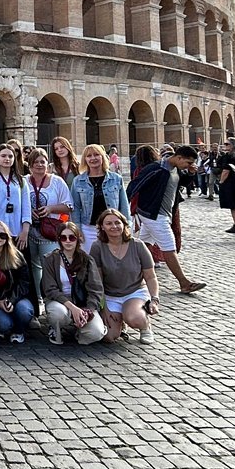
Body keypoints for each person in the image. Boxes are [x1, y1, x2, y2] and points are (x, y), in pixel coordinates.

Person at [126, 145, 206, 294]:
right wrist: (124, 208)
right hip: (153, 215)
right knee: (169, 247)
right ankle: (184, 283)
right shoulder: (156, 168)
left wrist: (190, 173)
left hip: (161, 214)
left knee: (144, 245)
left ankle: (129, 275)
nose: (189, 165)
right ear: (179, 157)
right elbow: (134, 186)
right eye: (188, 162)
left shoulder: (176, 169)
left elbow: (180, 183)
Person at [90, 209, 160, 344]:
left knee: (133, 317)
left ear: (124, 224)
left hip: (134, 292)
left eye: (117, 222)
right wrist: (104, 308)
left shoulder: (138, 245)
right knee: (109, 337)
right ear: (102, 227)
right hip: (110, 295)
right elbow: (97, 281)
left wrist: (154, 299)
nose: (114, 226)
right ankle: (120, 322)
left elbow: (151, 276)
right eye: (109, 223)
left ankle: (145, 326)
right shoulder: (97, 247)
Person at [25, 148, 73, 323]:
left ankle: (51, 301)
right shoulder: (24, 181)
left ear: (47, 164)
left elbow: (69, 205)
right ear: (30, 165)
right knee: (33, 268)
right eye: (36, 162)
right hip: (29, 231)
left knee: (49, 267)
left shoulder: (57, 182)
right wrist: (28, 211)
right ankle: (37, 301)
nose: (39, 165)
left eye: (42, 161)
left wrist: (50, 208)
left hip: (50, 232)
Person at [40, 222, 105, 345]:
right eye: (63, 238)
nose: (68, 241)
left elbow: (95, 289)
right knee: (58, 314)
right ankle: (55, 328)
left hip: (82, 302)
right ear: (59, 240)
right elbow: (50, 289)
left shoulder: (87, 260)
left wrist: (88, 311)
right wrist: (73, 308)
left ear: (77, 238)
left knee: (96, 333)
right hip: (59, 301)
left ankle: (79, 329)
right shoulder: (50, 259)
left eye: (72, 237)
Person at [70, 143, 129, 253]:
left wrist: (127, 226)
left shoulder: (116, 179)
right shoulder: (78, 181)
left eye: (96, 154)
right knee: (91, 259)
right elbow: (76, 207)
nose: (93, 158)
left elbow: (124, 205)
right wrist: (77, 228)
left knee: (112, 258)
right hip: (88, 228)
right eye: (89, 156)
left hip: (112, 227)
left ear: (103, 157)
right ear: (85, 160)